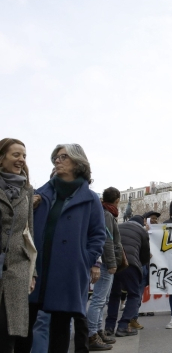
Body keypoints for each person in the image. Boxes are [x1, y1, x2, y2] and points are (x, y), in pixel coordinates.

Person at [25, 144, 105, 353]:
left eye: (63, 157)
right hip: (37, 270)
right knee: (25, 327)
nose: (57, 161)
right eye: (55, 158)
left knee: (60, 328)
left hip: (68, 271)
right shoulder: (39, 195)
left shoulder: (91, 199)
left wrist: (84, 260)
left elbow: (98, 234)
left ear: (78, 163)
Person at [0, 138, 35, 353]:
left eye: (24, 156)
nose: (21, 159)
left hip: (18, 269)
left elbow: (29, 234)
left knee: (9, 332)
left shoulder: (27, 191)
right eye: (16, 155)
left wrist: (33, 273)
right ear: (1, 157)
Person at [87, 187, 123, 350]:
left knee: (103, 299)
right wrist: (113, 262)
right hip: (106, 262)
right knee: (99, 299)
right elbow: (107, 240)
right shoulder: (107, 214)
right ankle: (92, 334)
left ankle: (97, 331)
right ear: (117, 200)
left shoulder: (105, 212)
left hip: (105, 261)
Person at [105, 215, 150, 337]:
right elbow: (145, 255)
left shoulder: (118, 226)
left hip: (115, 263)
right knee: (134, 294)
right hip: (131, 264)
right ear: (141, 223)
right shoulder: (142, 231)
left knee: (114, 295)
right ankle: (123, 326)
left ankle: (109, 327)